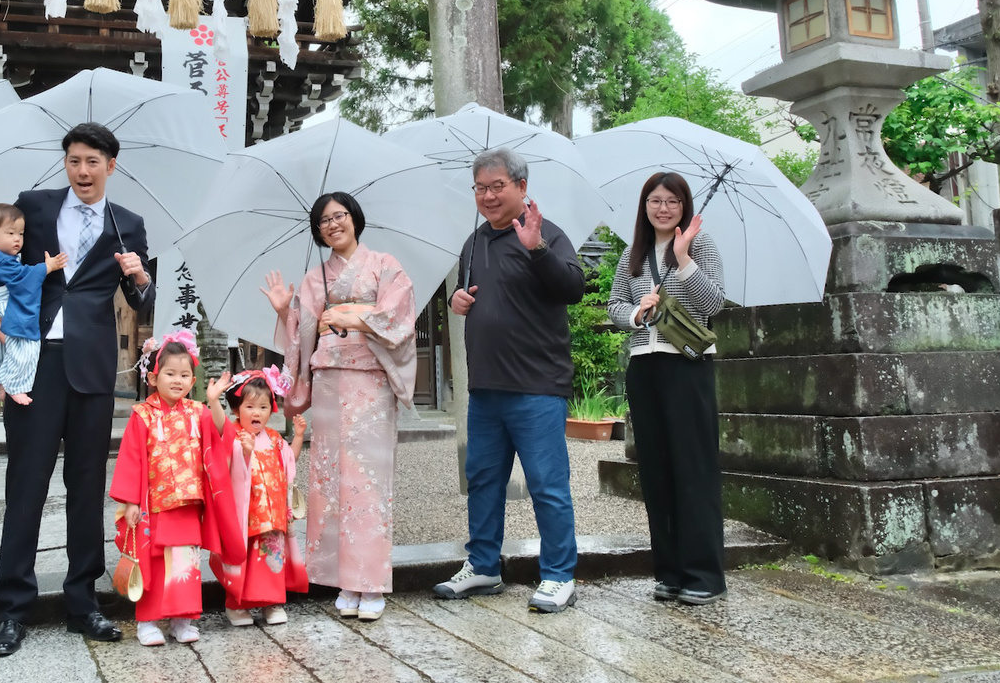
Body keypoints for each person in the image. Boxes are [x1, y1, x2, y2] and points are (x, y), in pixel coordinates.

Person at [0, 122, 155, 656]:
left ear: (110, 167)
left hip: (93, 367)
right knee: (25, 483)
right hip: (35, 361)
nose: (82, 171)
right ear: (65, 164)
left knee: (84, 484)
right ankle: (12, 607)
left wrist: (138, 276)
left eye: (92, 162)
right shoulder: (35, 205)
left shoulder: (129, 224)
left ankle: (83, 602)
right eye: (74, 161)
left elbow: (140, 299)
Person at [436, 147, 586, 614]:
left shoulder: (547, 234)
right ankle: (483, 566)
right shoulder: (474, 242)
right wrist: (456, 303)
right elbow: (468, 300)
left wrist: (537, 249)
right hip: (486, 388)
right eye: (480, 188)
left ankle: (559, 574)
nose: (488, 195)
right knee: (482, 480)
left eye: (497, 186)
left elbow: (573, 289)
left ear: (522, 187)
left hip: (537, 386)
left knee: (547, 484)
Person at [261, 190, 416, 622]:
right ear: (318, 231)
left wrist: (355, 317)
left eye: (340, 216)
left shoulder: (385, 265)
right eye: (324, 220)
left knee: (367, 480)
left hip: (371, 382)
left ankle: (370, 582)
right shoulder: (314, 280)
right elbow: (300, 336)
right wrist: (283, 313)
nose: (333, 224)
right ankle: (344, 581)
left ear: (355, 219)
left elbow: (400, 317)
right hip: (329, 382)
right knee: (331, 481)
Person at [607, 171, 727, 605]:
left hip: (687, 367)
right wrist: (638, 314)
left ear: (684, 205)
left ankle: (705, 575)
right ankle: (670, 571)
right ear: (644, 206)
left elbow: (715, 303)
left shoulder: (700, 244)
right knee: (656, 470)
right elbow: (614, 304)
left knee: (693, 468)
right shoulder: (632, 253)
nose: (663, 208)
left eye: (672, 201)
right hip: (644, 365)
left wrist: (684, 260)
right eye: (655, 200)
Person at [108, 332, 239, 646]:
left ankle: (183, 619)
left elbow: (223, 436)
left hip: (188, 505)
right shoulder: (142, 415)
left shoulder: (197, 412)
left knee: (185, 562)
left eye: (184, 375)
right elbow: (132, 459)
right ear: (153, 378)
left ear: (192, 380)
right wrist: (130, 501)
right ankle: (148, 621)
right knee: (151, 560)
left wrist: (214, 401)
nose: (177, 380)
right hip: (152, 504)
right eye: (170, 373)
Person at [210, 366, 309, 627]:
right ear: (236, 409)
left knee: (272, 561)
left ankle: (272, 604)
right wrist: (213, 400)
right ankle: (236, 605)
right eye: (250, 407)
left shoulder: (275, 439)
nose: (257, 413)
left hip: (273, 514)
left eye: (264, 407)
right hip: (245, 514)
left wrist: (298, 436)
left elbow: (290, 462)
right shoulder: (234, 434)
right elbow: (218, 425)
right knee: (244, 560)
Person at [0, 203, 68, 405]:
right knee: (25, 345)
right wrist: (47, 266)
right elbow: (22, 278)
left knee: (0, 350)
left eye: (20, 234)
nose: (17, 240)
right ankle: (16, 385)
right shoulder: (1, 260)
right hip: (2, 304)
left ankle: (3, 382)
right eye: (10, 233)